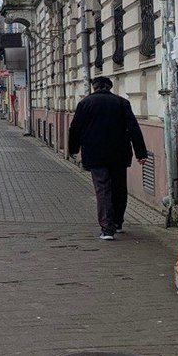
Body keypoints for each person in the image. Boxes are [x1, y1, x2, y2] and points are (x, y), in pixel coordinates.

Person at [68, 76, 149, 240]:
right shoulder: (122, 103)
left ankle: (107, 229)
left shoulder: (85, 103)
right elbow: (133, 127)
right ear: (110, 87)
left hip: (95, 153)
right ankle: (118, 222)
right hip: (119, 153)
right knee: (119, 187)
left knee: (102, 188)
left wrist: (73, 149)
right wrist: (141, 153)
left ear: (94, 87)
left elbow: (75, 128)